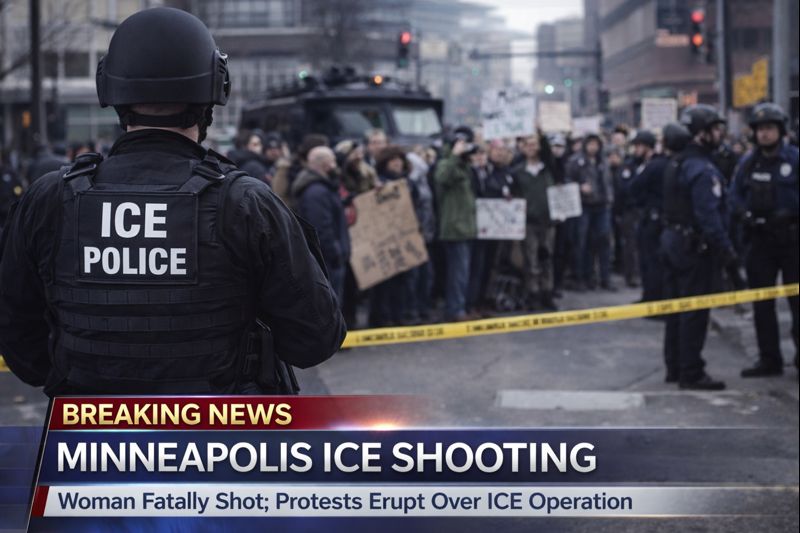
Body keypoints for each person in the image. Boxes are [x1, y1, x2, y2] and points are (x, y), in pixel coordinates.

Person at [0, 7, 345, 396]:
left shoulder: (50, 197)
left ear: (110, 89)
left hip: (90, 427)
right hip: (220, 429)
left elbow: (19, 339)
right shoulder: (245, 202)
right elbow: (316, 339)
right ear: (214, 91)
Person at [661, 104, 736, 390]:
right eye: (715, 129)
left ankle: (675, 366)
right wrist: (727, 252)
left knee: (675, 308)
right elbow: (709, 217)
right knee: (694, 310)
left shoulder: (677, 162)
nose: (720, 135)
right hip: (693, 248)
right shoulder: (701, 169)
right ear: (701, 134)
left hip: (673, 242)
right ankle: (691, 371)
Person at [730, 102, 799, 377]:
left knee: (797, 302)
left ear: (780, 131)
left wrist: (792, 212)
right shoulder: (748, 163)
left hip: (792, 240)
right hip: (759, 241)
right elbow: (734, 195)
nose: (764, 134)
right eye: (760, 129)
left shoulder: (794, 159)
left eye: (769, 128)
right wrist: (744, 214)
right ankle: (769, 359)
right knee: (762, 303)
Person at [629, 123, 691, 303]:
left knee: (651, 261)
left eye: (639, 146)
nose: (636, 150)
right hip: (665, 219)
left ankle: (652, 298)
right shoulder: (673, 163)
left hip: (653, 219)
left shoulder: (654, 165)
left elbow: (634, 188)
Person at [291, 146, 351, 303]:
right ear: (326, 164)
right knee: (330, 304)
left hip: (328, 261)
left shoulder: (322, 188)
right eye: (333, 161)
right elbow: (321, 229)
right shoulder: (317, 192)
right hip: (327, 262)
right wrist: (336, 253)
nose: (336, 166)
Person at [434, 127, 477, 321]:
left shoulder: (463, 166)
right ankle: (455, 309)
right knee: (457, 273)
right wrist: (454, 155)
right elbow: (441, 177)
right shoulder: (446, 163)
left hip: (466, 227)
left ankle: (462, 306)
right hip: (454, 229)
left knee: (464, 272)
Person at [513, 133, 558, 310]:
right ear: (523, 148)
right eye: (528, 145)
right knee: (530, 259)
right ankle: (533, 293)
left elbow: (548, 152)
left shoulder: (548, 168)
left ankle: (547, 292)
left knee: (547, 258)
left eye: (534, 144)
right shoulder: (518, 171)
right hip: (528, 222)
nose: (531, 148)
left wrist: (540, 132)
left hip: (548, 221)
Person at [567, 133, 615, 291]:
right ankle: (583, 276)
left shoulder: (603, 161)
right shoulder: (575, 161)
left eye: (596, 144)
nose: (593, 147)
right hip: (584, 205)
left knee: (604, 240)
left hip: (602, 205)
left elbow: (609, 182)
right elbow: (567, 180)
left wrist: (609, 197)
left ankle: (605, 277)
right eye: (590, 144)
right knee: (582, 241)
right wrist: (579, 187)